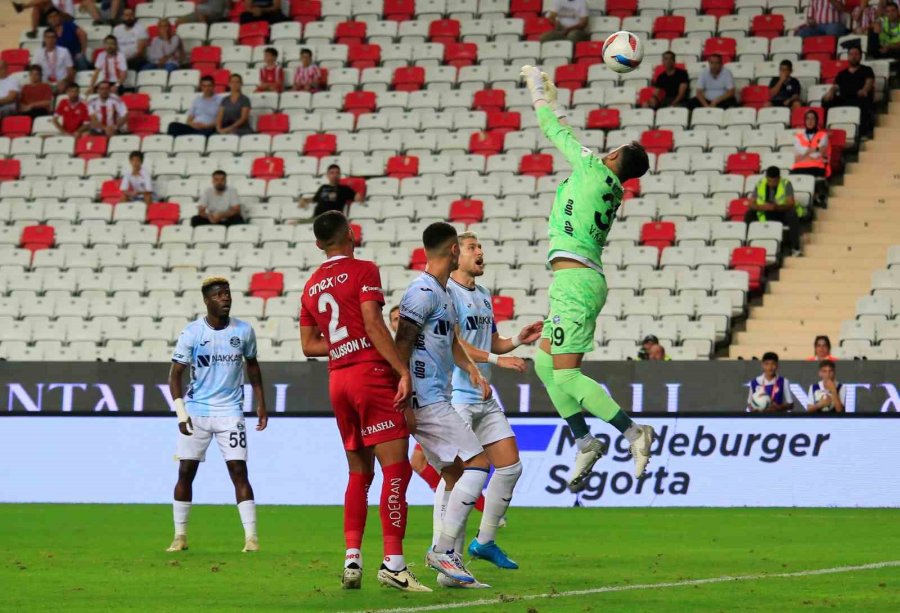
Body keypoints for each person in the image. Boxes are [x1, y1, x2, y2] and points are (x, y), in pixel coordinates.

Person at [520, 65, 655, 491]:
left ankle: (633, 432)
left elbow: (553, 130)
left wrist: (541, 94)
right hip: (574, 280)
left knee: (565, 375)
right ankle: (584, 439)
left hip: (576, 284)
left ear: (614, 157)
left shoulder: (594, 169)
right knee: (544, 362)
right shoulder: (609, 183)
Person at [298, 211, 428, 593]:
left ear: (319, 244)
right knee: (395, 470)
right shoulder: (363, 270)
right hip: (370, 376)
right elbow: (373, 323)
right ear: (351, 234)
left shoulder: (310, 286)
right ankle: (394, 563)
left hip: (338, 380)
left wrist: (343, 343)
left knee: (358, 473)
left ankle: (352, 559)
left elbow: (308, 346)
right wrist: (401, 369)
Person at [393, 222, 492, 586]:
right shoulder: (421, 292)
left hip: (435, 395)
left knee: (453, 474)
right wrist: (403, 398)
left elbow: (451, 343)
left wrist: (475, 371)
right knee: (479, 465)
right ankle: (443, 550)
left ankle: (450, 570)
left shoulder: (443, 293)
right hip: (425, 399)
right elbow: (400, 344)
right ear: (453, 251)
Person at [446, 231, 543, 576]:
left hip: (483, 396)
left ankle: (484, 541)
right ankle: (446, 561)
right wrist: (497, 361)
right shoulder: (447, 293)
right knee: (457, 478)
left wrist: (518, 339)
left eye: (481, 247)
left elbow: (492, 343)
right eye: (473, 248)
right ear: (456, 255)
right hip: (455, 395)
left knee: (511, 466)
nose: (480, 252)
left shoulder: (484, 295)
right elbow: (456, 345)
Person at [166, 277, 268, 554]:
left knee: (239, 471)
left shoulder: (244, 331)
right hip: (196, 412)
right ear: (207, 301)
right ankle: (180, 536)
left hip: (230, 413)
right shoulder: (192, 333)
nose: (226, 298)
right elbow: (175, 375)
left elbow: (254, 368)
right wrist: (181, 412)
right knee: (186, 471)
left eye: (228, 294)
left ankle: (251, 538)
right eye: (220, 295)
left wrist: (261, 402)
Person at [745, 166, 803, 257]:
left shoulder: (786, 184)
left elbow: (790, 203)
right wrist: (762, 207)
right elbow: (751, 203)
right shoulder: (760, 184)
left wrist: (776, 207)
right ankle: (746, 246)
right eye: (769, 181)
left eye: (774, 181)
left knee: (792, 215)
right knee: (749, 214)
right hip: (764, 211)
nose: (771, 183)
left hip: (780, 212)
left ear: (779, 178)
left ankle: (795, 248)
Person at [823, 44, 875, 138]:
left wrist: (864, 90)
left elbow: (869, 83)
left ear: (860, 56)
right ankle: (826, 130)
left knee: (864, 101)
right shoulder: (842, 73)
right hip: (845, 98)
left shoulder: (867, 70)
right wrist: (830, 92)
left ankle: (863, 133)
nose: (854, 56)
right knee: (826, 100)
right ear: (848, 56)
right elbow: (835, 86)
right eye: (851, 54)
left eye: (856, 54)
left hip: (858, 98)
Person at [33, 27, 74, 93]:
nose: (50, 40)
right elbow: (34, 72)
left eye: (53, 37)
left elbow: (70, 71)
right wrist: (42, 84)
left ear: (56, 39)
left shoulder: (64, 51)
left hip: (62, 83)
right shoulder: (37, 53)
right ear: (44, 39)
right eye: (48, 37)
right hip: (44, 84)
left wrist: (64, 82)